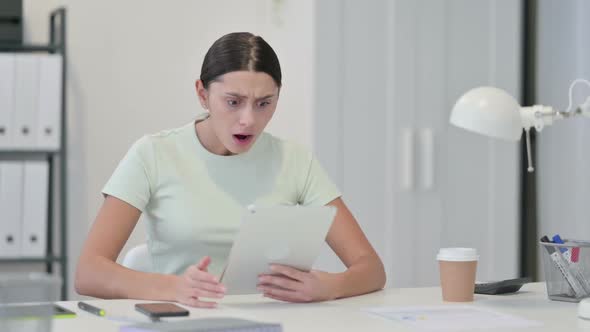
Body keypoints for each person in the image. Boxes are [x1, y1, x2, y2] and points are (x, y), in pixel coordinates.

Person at [75, 32, 386, 307]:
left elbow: (371, 268)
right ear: (202, 94)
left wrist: (328, 286)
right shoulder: (153, 154)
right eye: (233, 102)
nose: (249, 120)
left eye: (264, 103)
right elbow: (89, 272)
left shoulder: (296, 161)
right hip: (182, 319)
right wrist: (173, 287)